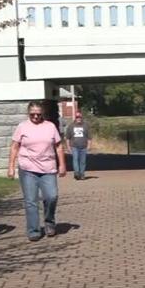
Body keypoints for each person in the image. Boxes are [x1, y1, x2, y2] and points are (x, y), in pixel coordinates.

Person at [8, 101, 67, 241]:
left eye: (38, 114)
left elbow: (58, 146)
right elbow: (15, 147)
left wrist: (62, 165)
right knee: (31, 201)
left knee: (51, 196)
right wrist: (11, 167)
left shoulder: (50, 126)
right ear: (28, 113)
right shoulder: (22, 127)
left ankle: (49, 222)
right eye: (32, 114)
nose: (35, 116)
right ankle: (33, 230)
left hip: (48, 168)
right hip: (28, 168)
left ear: (42, 114)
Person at [64, 111, 92, 180]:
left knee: (83, 161)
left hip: (84, 146)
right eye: (77, 117)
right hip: (74, 146)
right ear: (75, 118)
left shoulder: (86, 126)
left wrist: (89, 145)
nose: (78, 118)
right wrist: (68, 147)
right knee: (75, 160)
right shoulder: (71, 126)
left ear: (81, 117)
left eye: (79, 117)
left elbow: (89, 137)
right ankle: (76, 173)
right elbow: (67, 138)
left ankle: (82, 174)